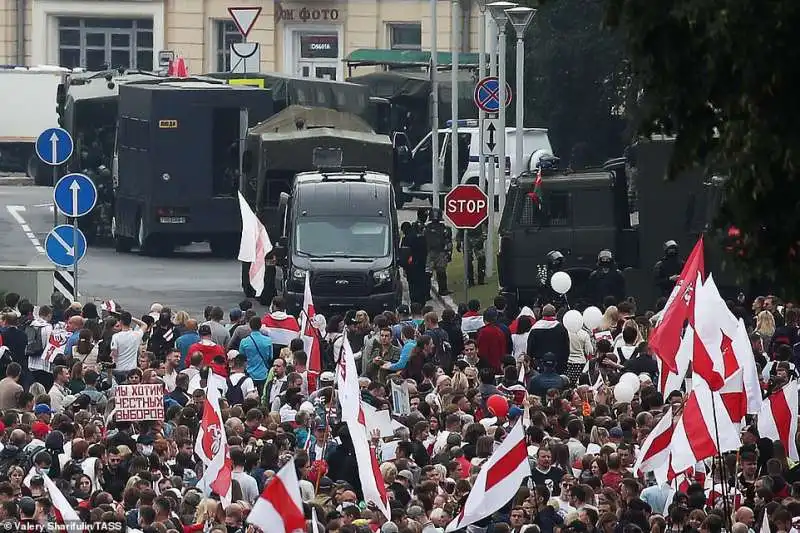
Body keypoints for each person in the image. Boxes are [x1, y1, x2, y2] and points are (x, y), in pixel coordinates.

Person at [424, 208, 453, 296]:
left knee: (436, 273)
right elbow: (449, 243)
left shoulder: (427, 229)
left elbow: (448, 242)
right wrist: (449, 253)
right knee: (433, 273)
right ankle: (438, 291)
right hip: (434, 253)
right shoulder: (426, 229)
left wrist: (448, 253)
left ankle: (432, 292)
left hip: (436, 253)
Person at [456, 221, 487, 287]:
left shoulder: (479, 213)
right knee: (468, 260)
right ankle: (470, 280)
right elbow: (460, 229)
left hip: (478, 236)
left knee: (482, 259)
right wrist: (458, 242)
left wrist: (482, 239)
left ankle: (481, 280)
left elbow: (484, 227)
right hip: (467, 237)